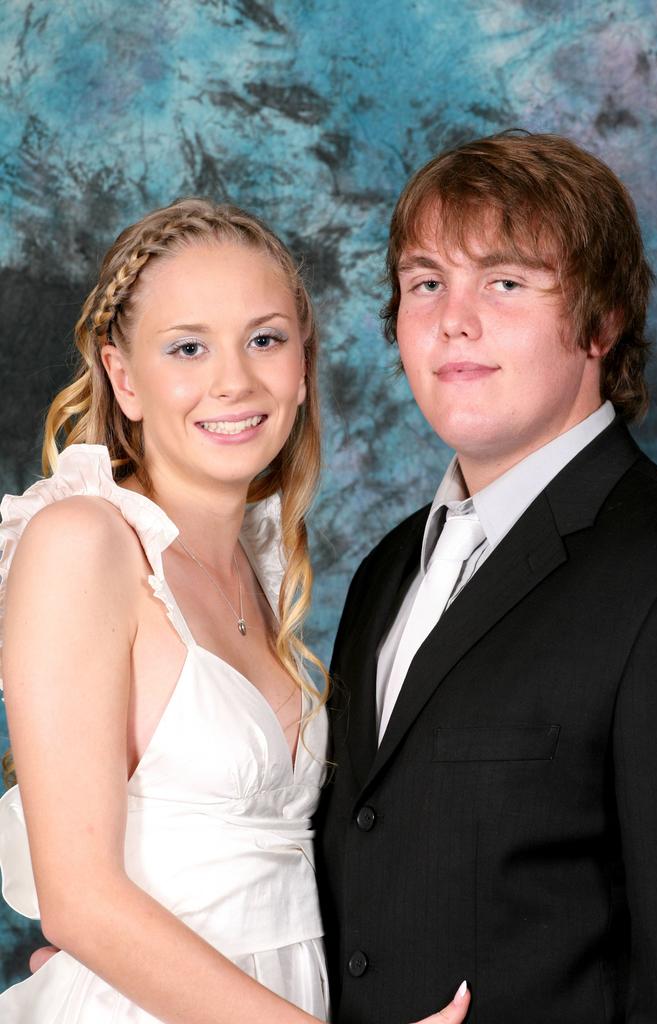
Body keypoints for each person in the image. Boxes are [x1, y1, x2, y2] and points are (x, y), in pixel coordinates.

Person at [316, 131, 657, 1022]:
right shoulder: (384, 571)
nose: (454, 318)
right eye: (426, 282)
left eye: (507, 282)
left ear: (600, 324)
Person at [0, 198, 470, 1024]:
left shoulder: (256, 565)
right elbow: (80, 902)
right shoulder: (83, 540)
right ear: (123, 377)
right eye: (188, 347)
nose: (235, 381)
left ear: (302, 364)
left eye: (265, 339)